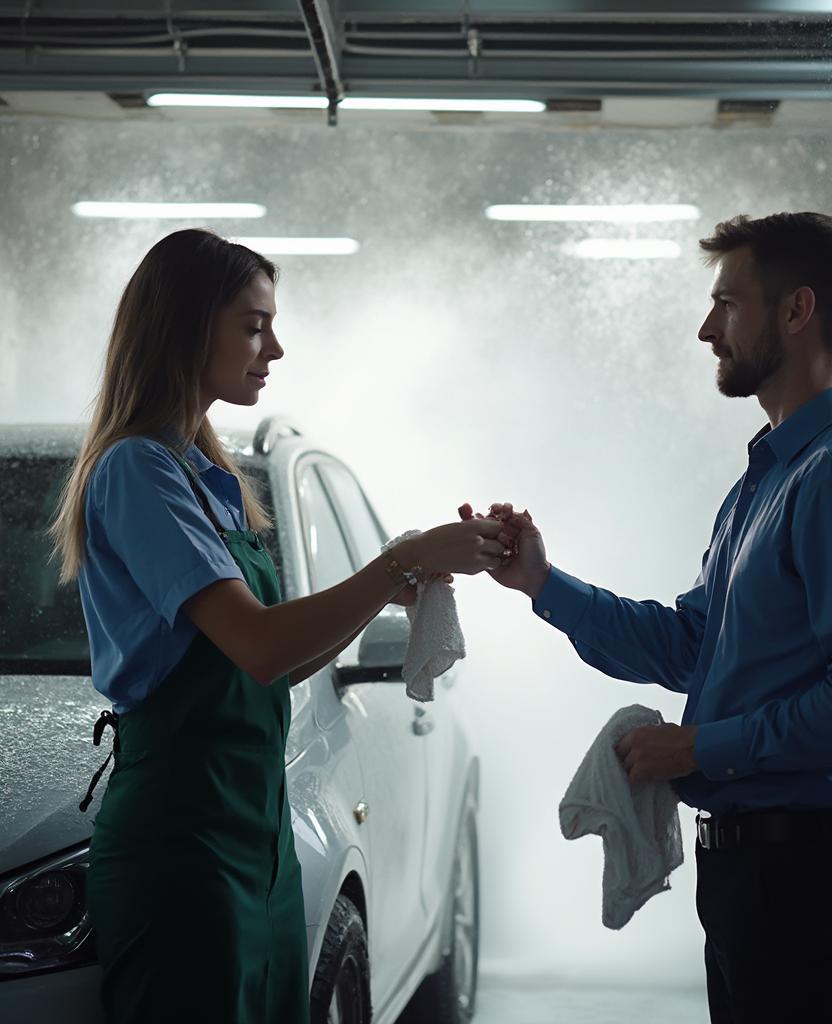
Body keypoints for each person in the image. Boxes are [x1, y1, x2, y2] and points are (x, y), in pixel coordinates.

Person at [465, 212, 832, 1023]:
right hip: (761, 873)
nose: (705, 328)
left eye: (727, 303)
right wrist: (543, 583)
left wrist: (700, 746)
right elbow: (695, 648)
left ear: (796, 311)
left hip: (808, 872)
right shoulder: (768, 478)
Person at [50, 228, 511, 1024]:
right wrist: (396, 565)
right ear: (186, 326)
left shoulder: (212, 477)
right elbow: (260, 646)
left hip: (256, 840)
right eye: (254, 324)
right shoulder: (137, 470)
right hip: (181, 840)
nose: (276, 347)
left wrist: (398, 577)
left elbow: (272, 659)